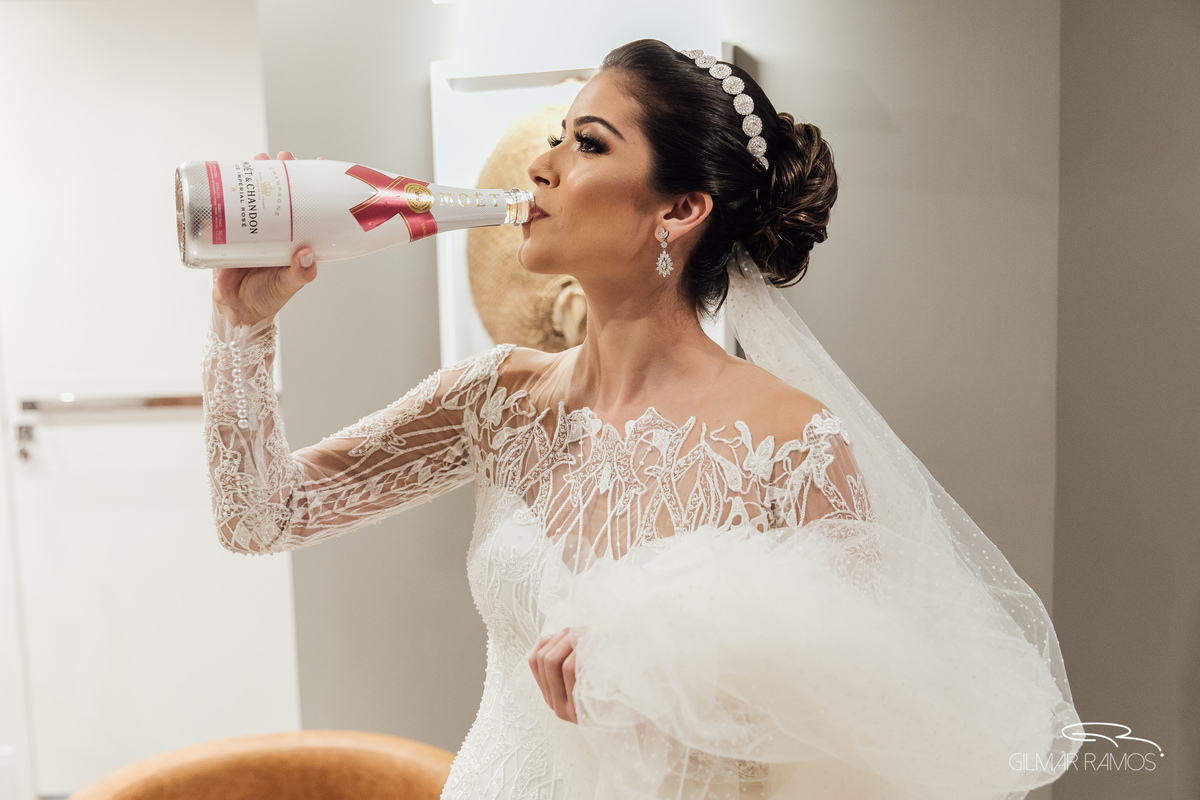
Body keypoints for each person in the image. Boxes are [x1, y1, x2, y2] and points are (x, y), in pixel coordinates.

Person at [204, 39, 1079, 800]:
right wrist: (244, 326)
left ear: (679, 209)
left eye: (587, 143)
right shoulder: (493, 398)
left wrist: (647, 663)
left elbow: (849, 735)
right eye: (556, 138)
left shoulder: (791, 445)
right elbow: (260, 515)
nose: (541, 166)